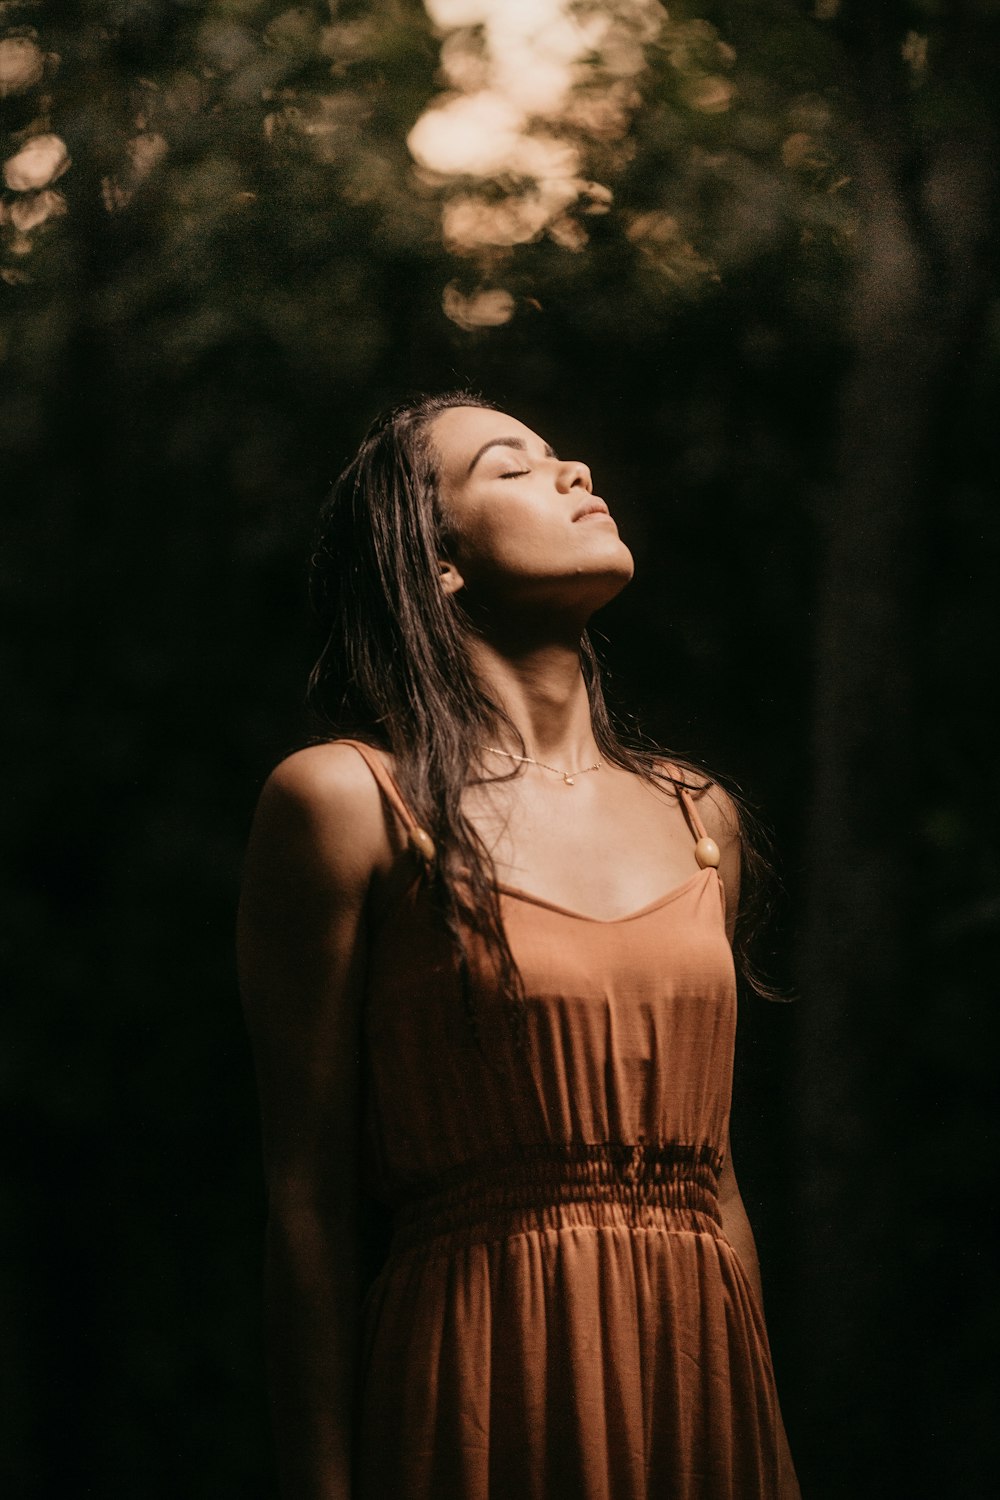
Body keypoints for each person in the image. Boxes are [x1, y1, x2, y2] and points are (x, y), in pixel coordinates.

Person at [237, 391, 801, 1500]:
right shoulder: (344, 802)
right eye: (513, 466)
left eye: (562, 457)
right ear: (436, 561)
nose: (575, 471)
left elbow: (718, 1177)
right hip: (481, 1376)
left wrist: (769, 1454)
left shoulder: (700, 818)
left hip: (697, 1382)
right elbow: (308, 1201)